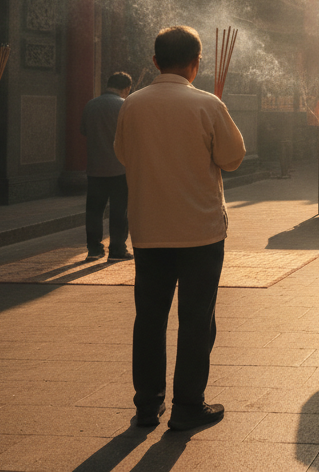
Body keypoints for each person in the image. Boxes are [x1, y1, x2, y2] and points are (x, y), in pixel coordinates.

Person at [114, 26, 247, 431]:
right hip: (200, 231)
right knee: (196, 320)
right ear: (197, 62)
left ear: (155, 61)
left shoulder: (132, 104)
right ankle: (188, 405)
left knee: (149, 319)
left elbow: (123, 153)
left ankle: (147, 405)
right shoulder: (208, 104)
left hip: (150, 230)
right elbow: (232, 157)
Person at [82, 71, 133, 261]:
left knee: (94, 211)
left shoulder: (91, 105)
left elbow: (83, 130)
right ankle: (117, 249)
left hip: (95, 169)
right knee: (119, 210)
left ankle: (94, 249)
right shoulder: (125, 106)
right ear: (126, 88)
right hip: (120, 168)